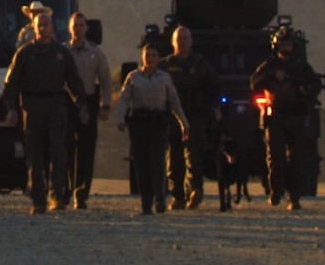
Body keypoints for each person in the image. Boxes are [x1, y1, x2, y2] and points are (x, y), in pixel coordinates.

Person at [0, 2, 85, 215]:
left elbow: (74, 81)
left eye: (47, 24)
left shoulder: (62, 53)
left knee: (58, 152)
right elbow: (11, 83)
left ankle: (57, 195)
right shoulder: (25, 53)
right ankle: (39, 199)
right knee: (35, 155)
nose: (43, 28)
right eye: (40, 25)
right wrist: (11, 108)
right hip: (33, 107)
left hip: (56, 106)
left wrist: (81, 105)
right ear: (34, 28)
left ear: (52, 27)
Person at [248, 25, 318, 210]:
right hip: (276, 116)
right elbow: (254, 82)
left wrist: (305, 93)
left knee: (296, 159)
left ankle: (293, 197)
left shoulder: (301, 66)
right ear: (276, 45)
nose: (286, 48)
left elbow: (316, 85)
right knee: (275, 157)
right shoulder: (269, 65)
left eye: (289, 44)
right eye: (283, 44)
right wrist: (272, 76)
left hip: (296, 114)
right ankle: (275, 191)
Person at [116, 44, 187, 215]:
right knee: (141, 163)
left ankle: (160, 199)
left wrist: (184, 123)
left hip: (159, 123)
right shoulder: (133, 77)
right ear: (142, 57)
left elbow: (175, 101)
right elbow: (124, 99)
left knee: (157, 161)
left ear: (158, 58)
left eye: (154, 55)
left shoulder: (164, 78)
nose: (150, 58)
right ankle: (146, 202)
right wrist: (120, 119)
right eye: (147, 55)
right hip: (139, 123)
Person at [160, 25, 219, 210]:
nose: (182, 41)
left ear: (191, 41)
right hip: (171, 117)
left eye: (185, 38)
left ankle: (194, 191)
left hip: (194, 116)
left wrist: (216, 107)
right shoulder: (165, 66)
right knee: (173, 158)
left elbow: (214, 88)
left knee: (193, 156)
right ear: (173, 42)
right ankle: (177, 196)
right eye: (179, 38)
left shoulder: (200, 66)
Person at [64, 12, 110, 209]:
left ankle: (81, 194)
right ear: (69, 28)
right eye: (75, 25)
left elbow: (106, 80)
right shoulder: (63, 51)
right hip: (66, 103)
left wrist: (105, 105)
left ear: (86, 28)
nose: (78, 29)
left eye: (81, 25)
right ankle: (64, 190)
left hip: (89, 102)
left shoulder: (96, 53)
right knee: (64, 148)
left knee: (86, 149)